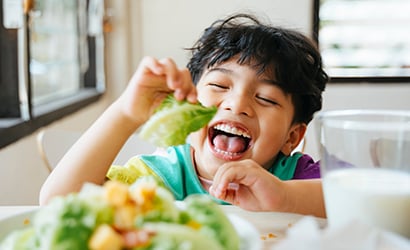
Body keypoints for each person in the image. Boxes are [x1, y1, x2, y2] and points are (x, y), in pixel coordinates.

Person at [39, 13, 328, 217]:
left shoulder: (296, 178)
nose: (236, 105)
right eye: (219, 85)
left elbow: (359, 200)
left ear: (292, 137)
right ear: (189, 100)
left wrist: (284, 196)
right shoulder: (158, 179)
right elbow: (58, 202)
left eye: (265, 98)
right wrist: (125, 114)